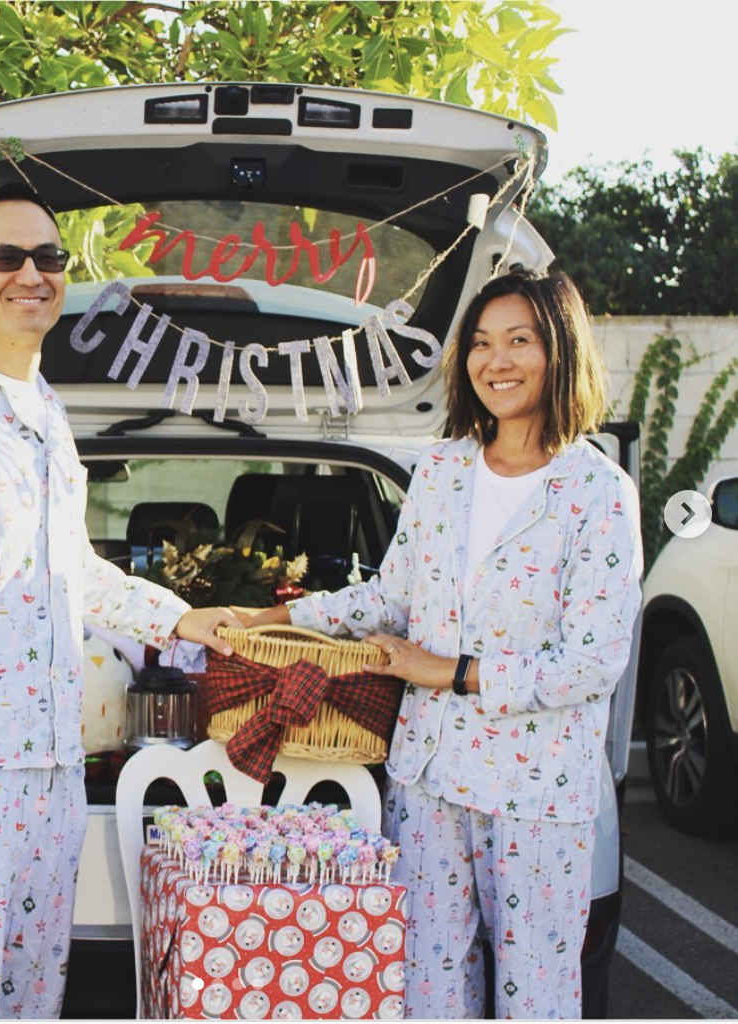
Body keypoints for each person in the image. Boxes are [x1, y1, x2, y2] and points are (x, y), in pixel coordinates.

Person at [0, 183, 241, 1020]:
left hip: (53, 773)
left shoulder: (49, 416)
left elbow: (71, 568)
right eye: (7, 257)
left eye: (49, 258)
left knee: (30, 998)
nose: (32, 273)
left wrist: (179, 618)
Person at [239, 269, 642, 1018]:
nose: (498, 361)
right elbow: (391, 598)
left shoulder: (598, 491)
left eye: (520, 341)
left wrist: (450, 671)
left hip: (537, 790)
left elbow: (592, 663)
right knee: (426, 985)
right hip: (428, 777)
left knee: (538, 996)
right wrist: (282, 618)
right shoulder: (443, 471)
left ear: (560, 352)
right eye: (482, 344)